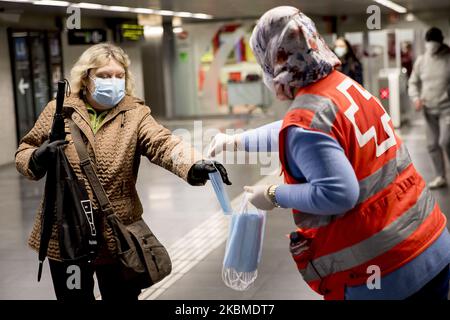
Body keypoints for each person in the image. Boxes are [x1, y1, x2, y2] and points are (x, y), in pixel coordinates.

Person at [208, 7, 450, 300]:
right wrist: (237, 142)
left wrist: (273, 194)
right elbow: (299, 130)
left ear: (273, 58)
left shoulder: (308, 116)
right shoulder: (343, 87)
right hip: (430, 243)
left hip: (385, 270)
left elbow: (338, 192)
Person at [15, 43, 231, 301]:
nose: (113, 81)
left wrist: (194, 164)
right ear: (86, 78)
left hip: (117, 232)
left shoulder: (135, 114)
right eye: (105, 75)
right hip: (67, 229)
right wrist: (38, 157)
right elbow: (25, 149)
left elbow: (162, 143)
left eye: (119, 75)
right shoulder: (59, 110)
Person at [408, 27, 450, 189]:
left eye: (434, 43)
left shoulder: (448, 58)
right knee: (432, 144)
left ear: (440, 42)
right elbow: (413, 82)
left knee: (446, 141)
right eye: (429, 43)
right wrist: (416, 98)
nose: (431, 46)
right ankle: (440, 176)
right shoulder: (421, 61)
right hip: (428, 109)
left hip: (447, 108)